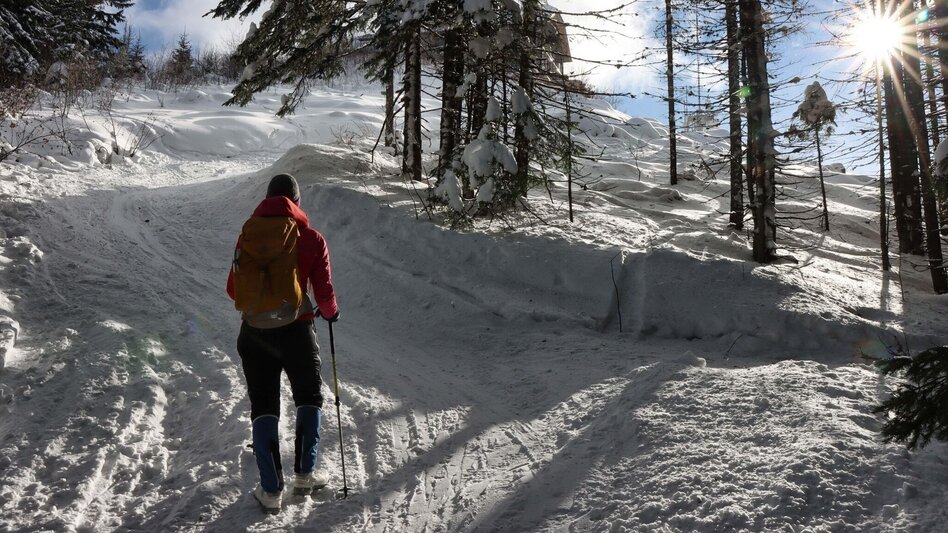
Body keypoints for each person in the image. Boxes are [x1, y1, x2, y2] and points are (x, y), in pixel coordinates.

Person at [226, 173, 340, 513]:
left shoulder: (248, 236)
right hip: (297, 330)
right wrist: (331, 313)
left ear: (267, 200)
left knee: (264, 407)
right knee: (308, 396)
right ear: (296, 202)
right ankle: (305, 474)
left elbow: (234, 289)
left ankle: (271, 490)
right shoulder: (311, 238)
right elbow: (324, 291)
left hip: (254, 333)